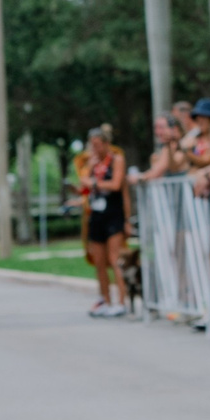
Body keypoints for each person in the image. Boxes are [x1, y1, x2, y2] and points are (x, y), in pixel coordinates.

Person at [80, 126, 130, 318]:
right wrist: (91, 169)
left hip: (114, 213)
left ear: (106, 144)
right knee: (99, 260)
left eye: (98, 145)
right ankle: (105, 300)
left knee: (114, 258)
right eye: (92, 146)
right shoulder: (92, 163)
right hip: (96, 215)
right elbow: (83, 181)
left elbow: (116, 185)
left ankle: (121, 301)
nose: (95, 149)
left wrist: (94, 183)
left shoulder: (117, 160)